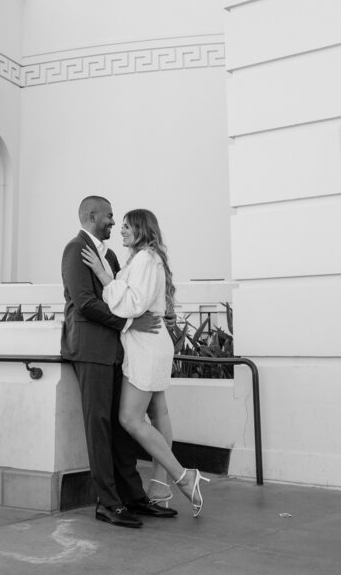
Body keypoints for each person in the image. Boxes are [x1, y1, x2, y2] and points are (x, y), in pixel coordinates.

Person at [81, 207, 209, 517]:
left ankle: (182, 476)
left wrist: (103, 276)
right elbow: (140, 297)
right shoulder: (145, 259)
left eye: (127, 226)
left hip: (146, 346)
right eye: (120, 225)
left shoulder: (145, 259)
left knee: (130, 419)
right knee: (158, 411)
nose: (121, 230)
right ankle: (159, 487)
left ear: (142, 229)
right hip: (148, 343)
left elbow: (132, 304)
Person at [61, 195, 172, 528]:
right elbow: (84, 303)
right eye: (109, 216)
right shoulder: (74, 249)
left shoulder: (109, 255)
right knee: (99, 426)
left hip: (116, 351)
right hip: (91, 348)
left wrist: (129, 323)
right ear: (93, 216)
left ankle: (133, 497)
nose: (113, 222)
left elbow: (121, 295)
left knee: (122, 428)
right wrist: (128, 323)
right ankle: (107, 503)